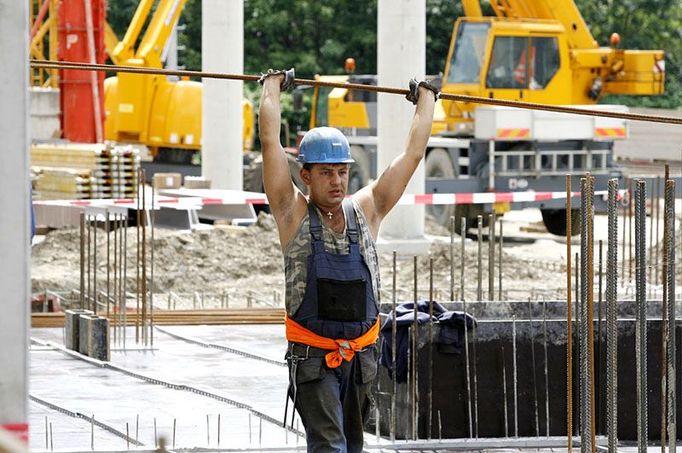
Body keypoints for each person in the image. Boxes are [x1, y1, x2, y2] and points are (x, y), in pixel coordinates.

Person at [258, 68, 437, 452]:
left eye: (342, 172)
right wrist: (271, 87)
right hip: (314, 360)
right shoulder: (293, 214)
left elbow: (412, 154)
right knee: (330, 446)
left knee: (353, 447)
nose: (337, 181)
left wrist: (426, 101)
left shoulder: (367, 211)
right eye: (326, 173)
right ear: (305, 174)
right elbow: (269, 143)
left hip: (361, 360)